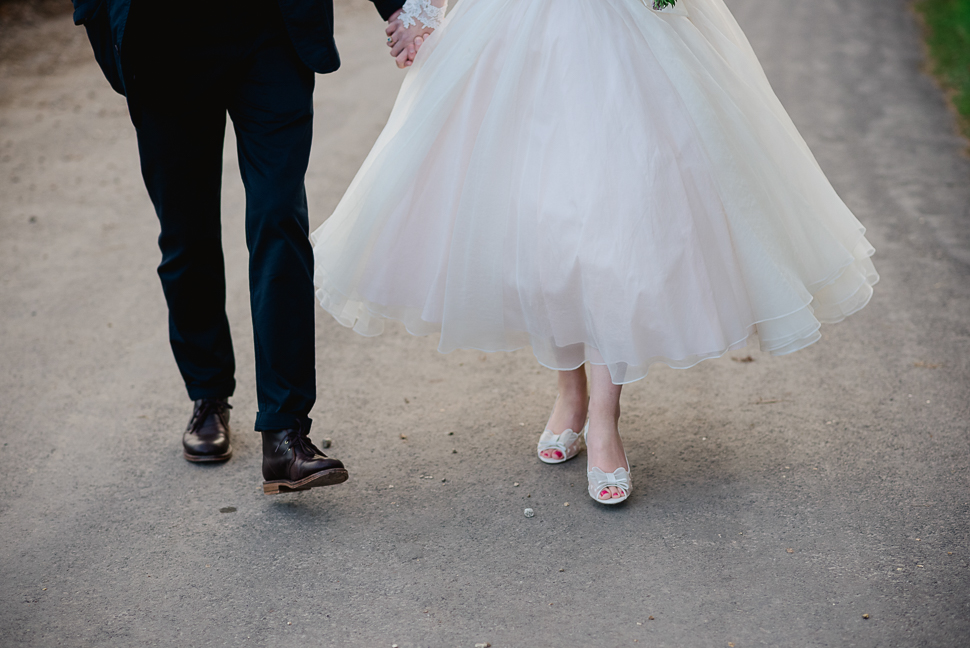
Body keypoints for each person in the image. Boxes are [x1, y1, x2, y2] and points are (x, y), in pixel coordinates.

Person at [318, 0, 879, 505]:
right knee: (540, 231)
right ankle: (571, 395)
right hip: (516, 30)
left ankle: (605, 421)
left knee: (616, 231)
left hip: (620, 36)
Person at [72, 0, 409, 494]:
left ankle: (284, 432)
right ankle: (208, 395)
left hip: (269, 30)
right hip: (163, 41)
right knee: (186, 235)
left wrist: (400, 6)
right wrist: (101, 20)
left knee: (279, 219)